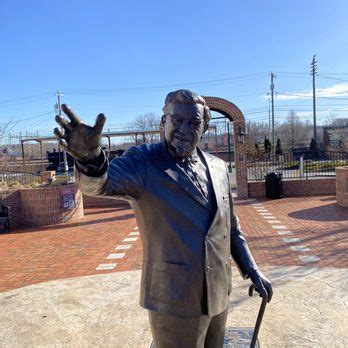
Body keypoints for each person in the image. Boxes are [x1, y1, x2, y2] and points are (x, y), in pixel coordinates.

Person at [54, 89, 272, 348]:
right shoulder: (143, 162)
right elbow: (100, 184)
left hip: (218, 292)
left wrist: (251, 268)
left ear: (203, 128)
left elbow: (230, 226)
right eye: (176, 120)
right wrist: (91, 160)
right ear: (163, 122)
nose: (183, 129)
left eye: (193, 122)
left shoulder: (218, 167)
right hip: (173, 298)